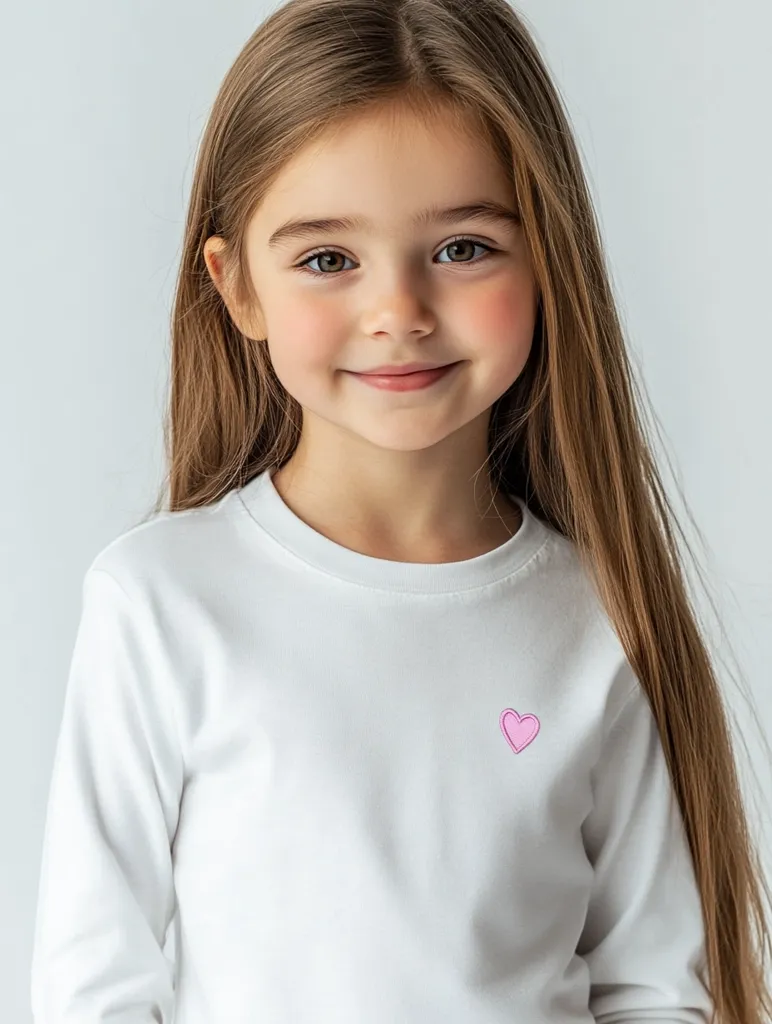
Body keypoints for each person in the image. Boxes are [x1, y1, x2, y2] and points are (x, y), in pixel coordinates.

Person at [30, 1, 772, 1022]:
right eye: (328, 259)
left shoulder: (599, 613)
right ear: (235, 286)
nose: (400, 312)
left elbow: (652, 985)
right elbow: (91, 984)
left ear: (545, 259)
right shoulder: (160, 603)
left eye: (463, 248)